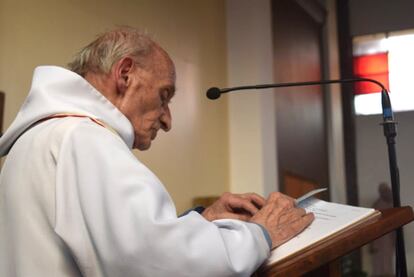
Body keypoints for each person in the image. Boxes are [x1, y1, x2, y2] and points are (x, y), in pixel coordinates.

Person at [0, 27, 313, 276]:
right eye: (164, 96)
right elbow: (158, 264)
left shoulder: (43, 136)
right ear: (125, 74)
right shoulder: (84, 138)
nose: (167, 120)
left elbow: (116, 245)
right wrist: (261, 234)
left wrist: (202, 221)